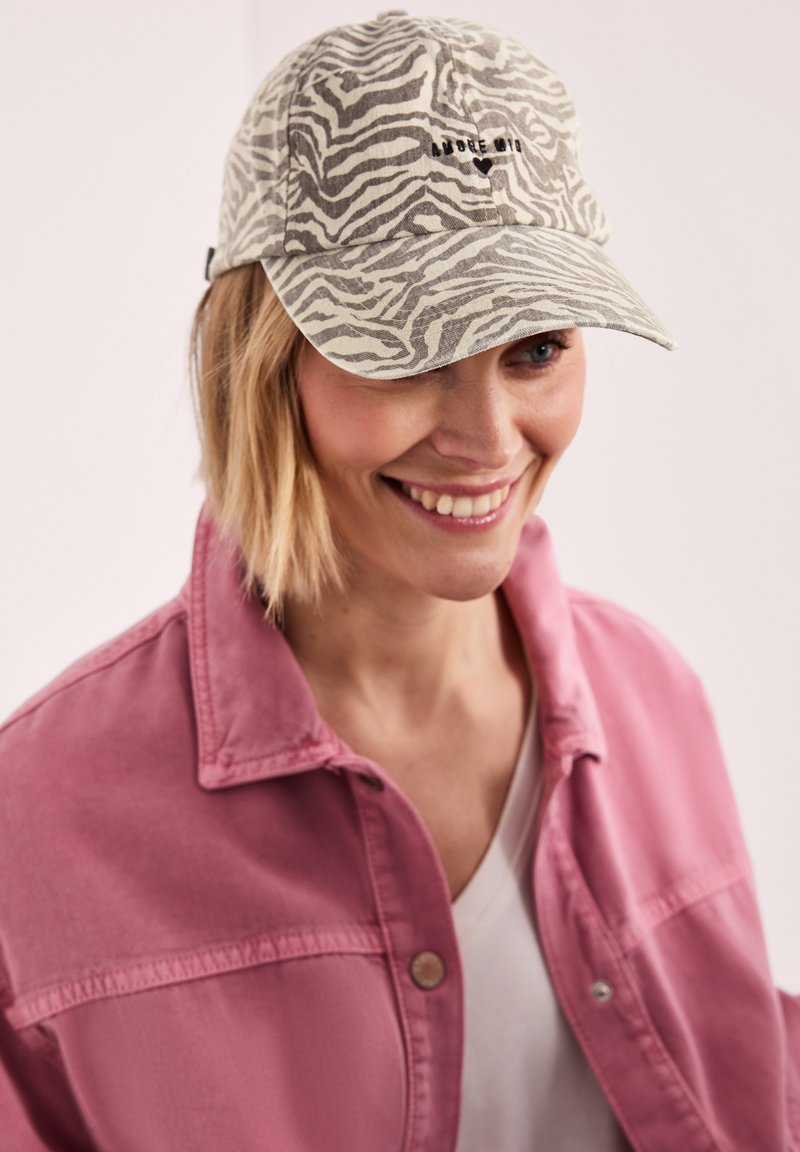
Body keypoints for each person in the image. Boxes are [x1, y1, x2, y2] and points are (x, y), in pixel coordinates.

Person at [0, 10, 797, 1151]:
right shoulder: (43, 816)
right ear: (257, 360)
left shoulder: (652, 698)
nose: (487, 439)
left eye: (533, 348)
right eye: (406, 349)